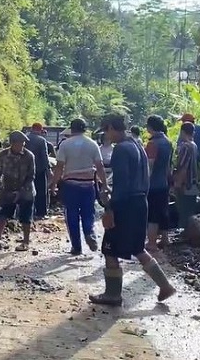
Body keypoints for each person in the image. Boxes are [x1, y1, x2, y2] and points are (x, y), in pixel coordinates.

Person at [89, 113, 176, 307]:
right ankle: (165, 285)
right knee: (138, 248)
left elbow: (122, 184)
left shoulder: (121, 149)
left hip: (125, 204)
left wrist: (110, 208)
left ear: (112, 127)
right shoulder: (138, 145)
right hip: (140, 203)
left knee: (109, 249)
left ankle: (112, 294)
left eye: (106, 131)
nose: (106, 136)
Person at [50, 118, 108, 255]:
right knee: (88, 213)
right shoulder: (92, 144)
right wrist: (104, 185)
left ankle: (76, 247)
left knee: (72, 215)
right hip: (88, 185)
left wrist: (53, 184)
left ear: (72, 129)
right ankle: (89, 233)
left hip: (70, 186)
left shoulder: (65, 145)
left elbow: (59, 167)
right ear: (85, 129)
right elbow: (99, 167)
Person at [0, 131, 36, 252]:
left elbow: (31, 176)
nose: (21, 146)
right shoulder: (2, 155)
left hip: (26, 190)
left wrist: (20, 192)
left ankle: (25, 242)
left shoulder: (29, 156)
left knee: (26, 216)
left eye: (23, 143)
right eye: (19, 143)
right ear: (12, 143)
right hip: (8, 188)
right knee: (4, 213)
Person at [144, 115, 173, 252]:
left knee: (153, 214)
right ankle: (165, 238)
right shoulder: (167, 142)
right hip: (164, 183)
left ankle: (151, 242)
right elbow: (168, 166)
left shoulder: (152, 144)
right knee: (163, 211)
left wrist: (144, 183)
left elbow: (149, 166)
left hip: (153, 184)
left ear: (150, 127)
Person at [173, 122, 199, 228]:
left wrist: (178, 183)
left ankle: (184, 235)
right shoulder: (194, 145)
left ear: (182, 132)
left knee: (184, 212)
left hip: (185, 184)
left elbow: (183, 167)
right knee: (190, 212)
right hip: (193, 183)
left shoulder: (185, 146)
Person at [26, 123, 52, 220]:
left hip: (26, 170)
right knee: (41, 191)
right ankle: (41, 213)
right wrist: (48, 170)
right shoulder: (41, 140)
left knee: (27, 190)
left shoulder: (25, 138)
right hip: (39, 170)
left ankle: (27, 212)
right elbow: (44, 157)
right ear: (40, 130)